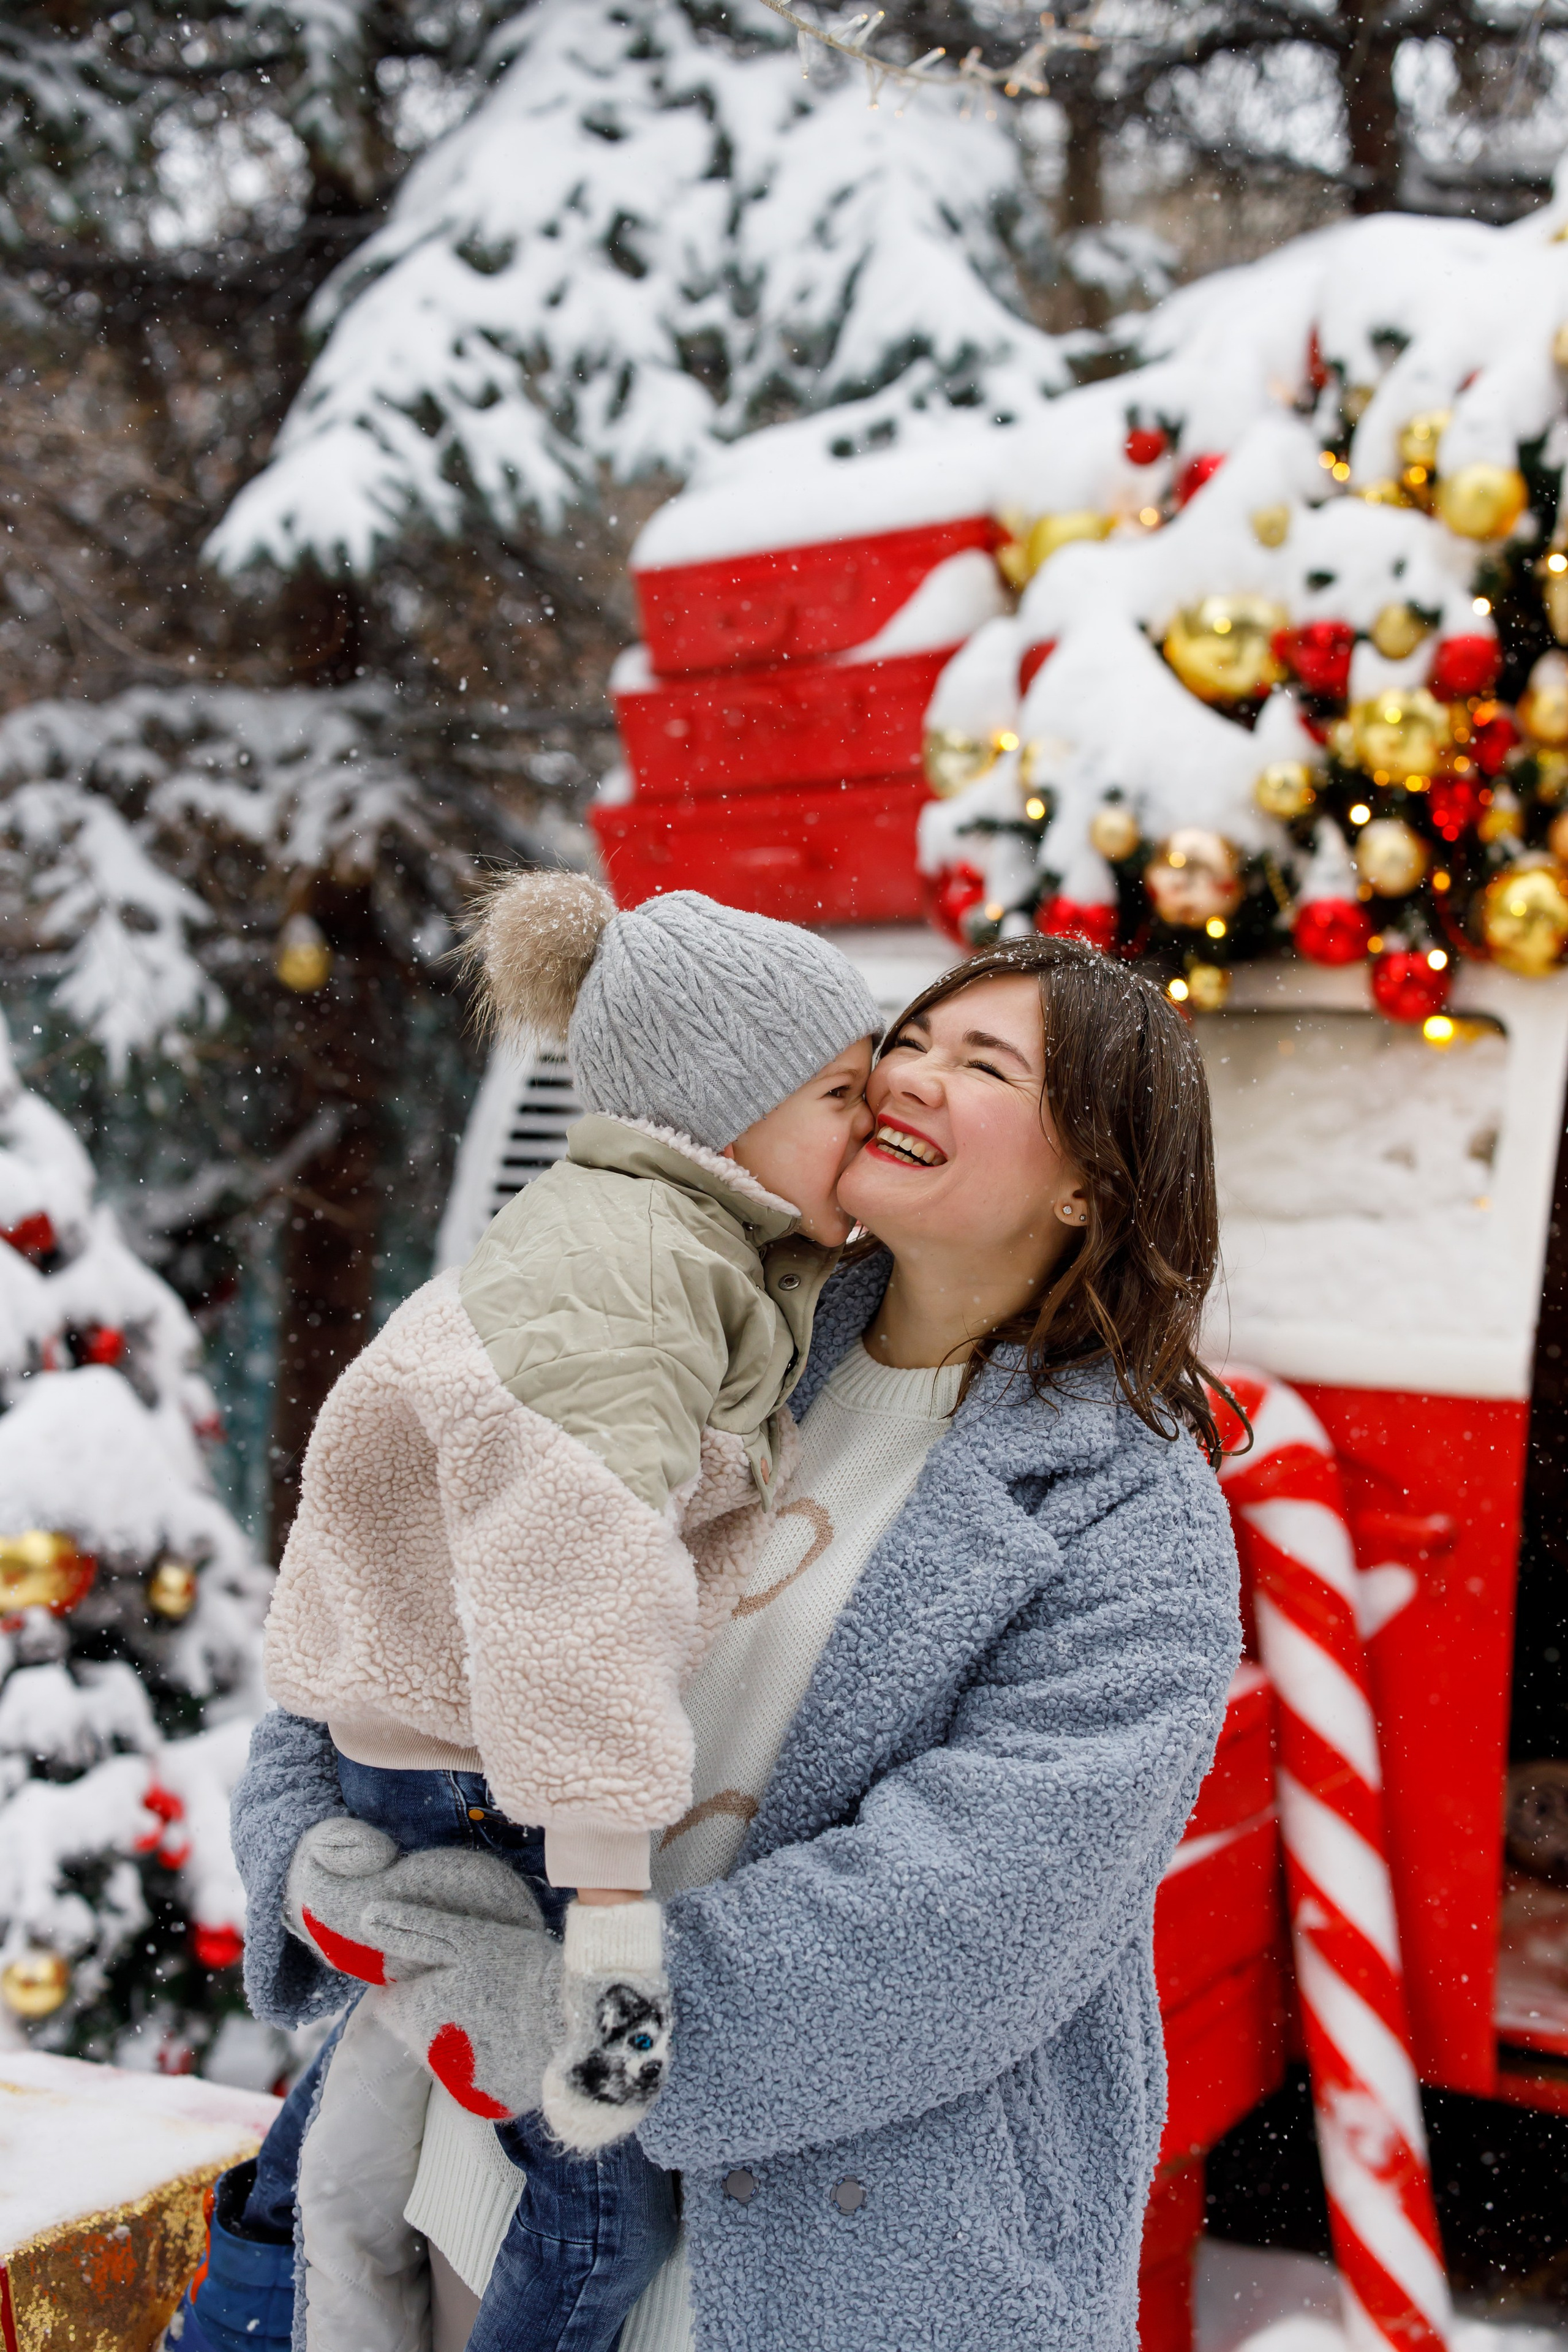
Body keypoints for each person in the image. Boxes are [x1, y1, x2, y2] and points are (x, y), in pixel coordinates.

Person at [206, 932, 1242, 2352]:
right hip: (497, 2189)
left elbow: (974, 1916)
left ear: (1088, 1181)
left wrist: (581, 2023)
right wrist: (328, 1849)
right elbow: (410, 1595)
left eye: (983, 1063)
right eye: (912, 1039)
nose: (910, 1074)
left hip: (842, 2248)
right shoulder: (692, 1303)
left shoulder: (1128, 1516)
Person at [246, 873, 881, 2349]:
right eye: (841, 1091)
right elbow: (570, 1578)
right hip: (474, 1777)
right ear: (727, 1110)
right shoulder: (627, 1274)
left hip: (434, 1748)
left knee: (376, 2152)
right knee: (606, 2178)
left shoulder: (671, 1238)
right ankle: (428, 1930)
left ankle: (403, 1933)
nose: (874, 1119)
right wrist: (605, 1909)